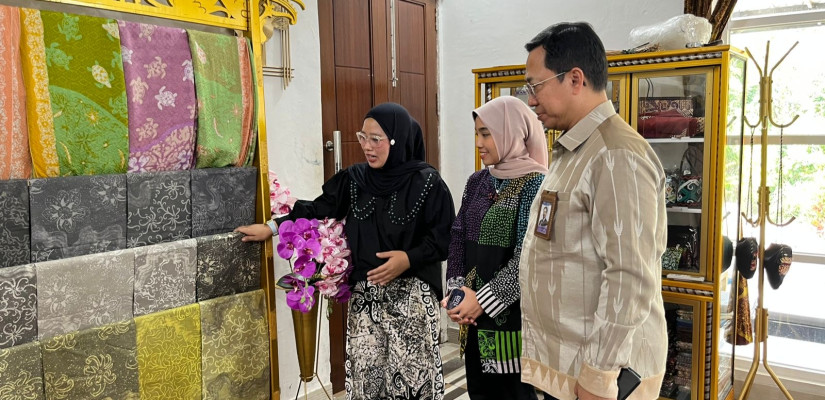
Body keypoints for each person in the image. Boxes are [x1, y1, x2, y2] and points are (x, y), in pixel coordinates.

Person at [236, 103, 455, 400]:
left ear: (397, 139)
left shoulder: (428, 183)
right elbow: (317, 209)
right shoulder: (355, 180)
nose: (367, 146)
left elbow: (444, 239)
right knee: (366, 385)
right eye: (362, 137)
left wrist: (407, 259)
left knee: (412, 385)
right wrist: (272, 227)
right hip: (365, 299)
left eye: (376, 139)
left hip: (412, 299)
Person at [518, 23, 668, 400]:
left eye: (535, 86)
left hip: (600, 378)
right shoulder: (575, 150)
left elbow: (630, 276)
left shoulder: (615, 155)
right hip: (566, 368)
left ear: (575, 79)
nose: (530, 100)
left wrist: (599, 376)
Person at [443, 96, 546, 400]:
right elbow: (458, 235)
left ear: (511, 133)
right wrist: (457, 293)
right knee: (479, 390)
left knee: (511, 392)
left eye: (486, 133)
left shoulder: (535, 184)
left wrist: (484, 301)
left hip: (510, 319)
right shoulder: (477, 181)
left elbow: (529, 255)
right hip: (472, 317)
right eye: (477, 133)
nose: (478, 142)